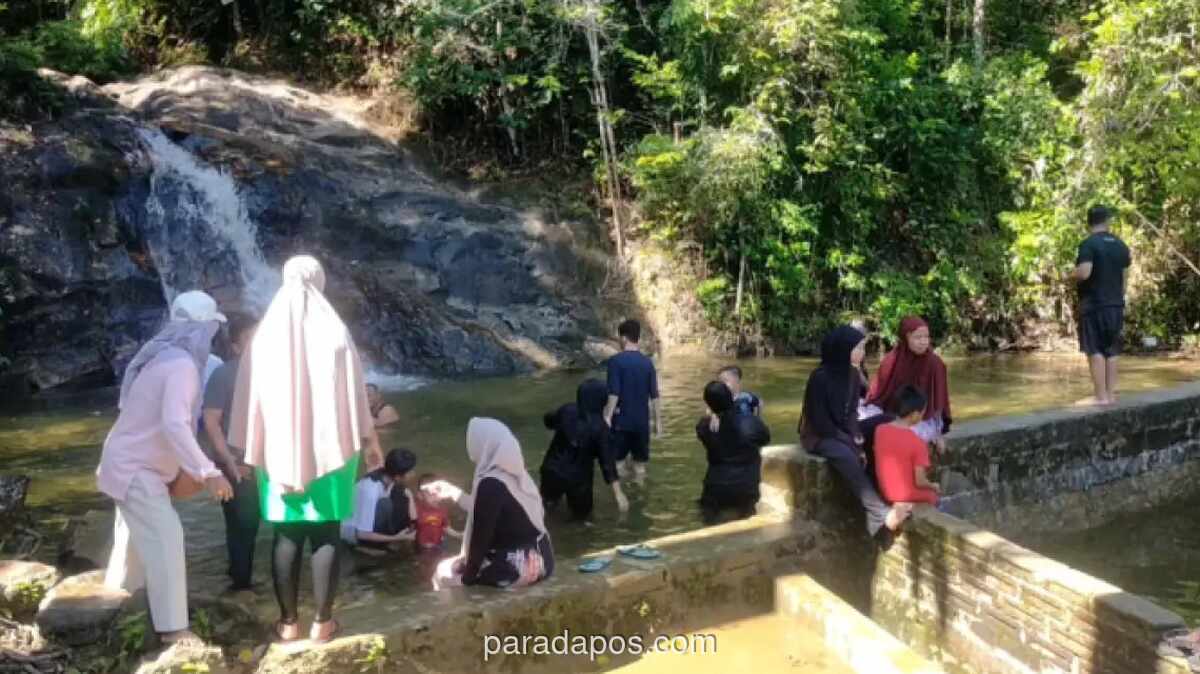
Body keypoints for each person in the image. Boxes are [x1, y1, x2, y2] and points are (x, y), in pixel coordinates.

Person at [228, 255, 384, 644]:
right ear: (319, 280)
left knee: (286, 534)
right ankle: (323, 623)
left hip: (278, 453)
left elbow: (250, 399)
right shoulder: (335, 332)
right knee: (326, 532)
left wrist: (245, 450)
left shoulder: (263, 336)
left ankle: (287, 623)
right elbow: (354, 392)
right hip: (332, 451)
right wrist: (370, 440)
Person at [98, 290, 234, 646]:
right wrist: (208, 472)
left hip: (126, 462)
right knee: (166, 537)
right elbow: (175, 424)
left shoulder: (161, 357)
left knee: (132, 539)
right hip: (135, 468)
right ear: (205, 330)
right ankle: (174, 629)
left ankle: (120, 597)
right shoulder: (183, 367)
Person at [798, 325, 910, 539]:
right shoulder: (819, 378)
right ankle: (878, 512)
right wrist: (853, 444)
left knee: (888, 422)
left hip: (843, 431)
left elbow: (850, 414)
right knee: (845, 454)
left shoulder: (852, 374)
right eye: (857, 348)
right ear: (842, 350)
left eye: (862, 347)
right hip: (820, 435)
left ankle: (891, 490)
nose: (862, 353)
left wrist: (856, 435)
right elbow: (822, 423)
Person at [426, 418, 554, 590]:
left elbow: (481, 536)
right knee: (452, 566)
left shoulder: (490, 483)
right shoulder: (515, 473)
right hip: (542, 557)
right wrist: (452, 492)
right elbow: (493, 512)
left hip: (519, 566)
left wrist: (467, 578)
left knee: (442, 574)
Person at [202, 312, 260, 592]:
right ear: (235, 347)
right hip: (235, 461)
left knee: (247, 522)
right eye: (250, 339)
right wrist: (229, 461)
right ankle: (242, 583)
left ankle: (239, 574)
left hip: (263, 462)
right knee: (244, 523)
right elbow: (211, 421)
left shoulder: (275, 370)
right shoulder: (224, 374)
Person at [1067, 205, 1132, 406]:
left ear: (1089, 223)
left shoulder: (1088, 244)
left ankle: (1100, 397)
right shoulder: (1121, 245)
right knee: (1111, 351)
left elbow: (1085, 272)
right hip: (1115, 305)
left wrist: (1069, 274)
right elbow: (1124, 277)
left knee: (1095, 350)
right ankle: (1110, 395)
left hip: (1094, 305)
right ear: (1107, 221)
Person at [540, 379, 628, 520]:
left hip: (552, 471)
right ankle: (578, 536)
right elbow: (607, 464)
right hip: (579, 480)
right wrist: (618, 493)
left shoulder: (567, 410)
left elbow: (548, 420)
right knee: (581, 517)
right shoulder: (601, 428)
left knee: (546, 506)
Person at [862, 317, 952, 451]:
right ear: (906, 338)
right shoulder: (891, 360)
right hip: (891, 414)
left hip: (920, 418)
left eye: (926, 337)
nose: (923, 342)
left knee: (907, 435)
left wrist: (938, 433)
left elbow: (938, 402)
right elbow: (878, 395)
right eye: (917, 337)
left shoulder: (935, 364)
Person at [696, 380, 771, 523]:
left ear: (708, 404)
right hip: (745, 485)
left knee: (709, 528)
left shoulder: (705, 427)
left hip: (715, 486)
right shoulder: (749, 422)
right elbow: (765, 438)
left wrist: (712, 414)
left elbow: (705, 426)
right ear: (731, 396)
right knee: (747, 528)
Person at [603, 319, 662, 485]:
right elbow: (655, 395)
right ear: (638, 338)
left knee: (619, 463)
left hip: (621, 422)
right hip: (642, 423)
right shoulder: (647, 362)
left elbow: (614, 393)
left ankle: (624, 495)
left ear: (623, 338)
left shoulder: (616, 362)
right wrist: (658, 422)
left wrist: (607, 417)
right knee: (640, 466)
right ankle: (640, 492)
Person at [873, 386, 941, 506]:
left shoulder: (880, 430)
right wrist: (933, 485)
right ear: (915, 414)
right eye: (923, 413)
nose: (923, 416)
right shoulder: (917, 443)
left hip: (884, 491)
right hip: (904, 494)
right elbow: (920, 482)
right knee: (933, 495)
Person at [341, 449, 418, 551]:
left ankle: (388, 540)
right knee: (385, 504)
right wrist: (398, 538)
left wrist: (410, 497)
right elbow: (362, 533)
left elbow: (413, 517)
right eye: (410, 471)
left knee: (401, 496)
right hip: (353, 533)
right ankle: (368, 546)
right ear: (398, 476)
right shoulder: (371, 490)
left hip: (370, 524)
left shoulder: (388, 477)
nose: (414, 474)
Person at [414, 474, 461, 550]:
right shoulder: (417, 509)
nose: (435, 497)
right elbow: (411, 527)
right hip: (420, 545)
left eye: (438, 493)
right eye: (431, 494)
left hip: (438, 544)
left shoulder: (442, 510)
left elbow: (446, 528)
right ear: (420, 495)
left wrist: (458, 535)